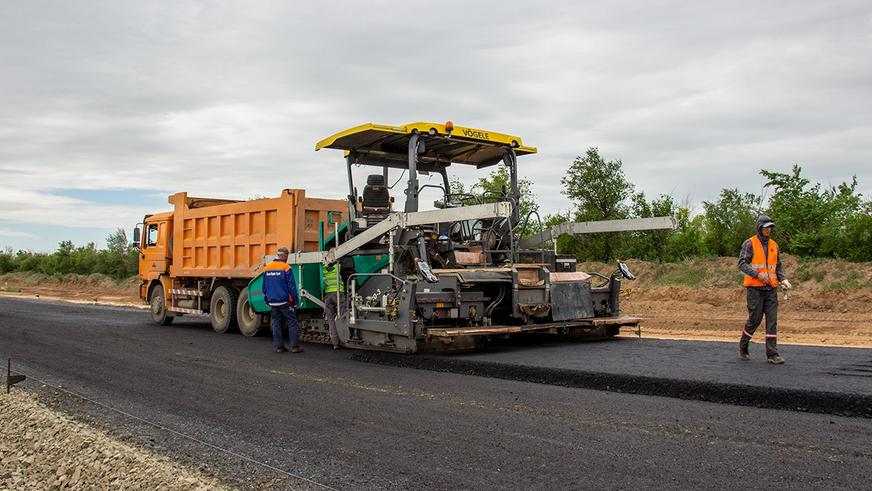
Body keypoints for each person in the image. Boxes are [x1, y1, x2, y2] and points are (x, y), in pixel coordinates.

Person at [738, 216, 792, 364]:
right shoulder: (750, 243)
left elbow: (777, 266)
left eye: (770, 227)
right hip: (755, 289)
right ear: (759, 228)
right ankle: (743, 344)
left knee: (772, 321)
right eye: (766, 227)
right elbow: (742, 263)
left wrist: (783, 279)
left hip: (771, 290)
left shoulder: (774, 245)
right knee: (754, 320)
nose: (769, 230)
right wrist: (757, 275)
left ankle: (772, 354)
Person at [263, 247, 303, 353]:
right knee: (292, 322)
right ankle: (294, 346)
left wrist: (267, 300)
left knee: (276, 323)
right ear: (285, 255)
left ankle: (279, 347)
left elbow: (264, 287)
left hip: (273, 301)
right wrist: (295, 301)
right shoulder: (286, 267)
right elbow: (292, 286)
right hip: (284, 301)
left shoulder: (267, 268)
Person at [321, 261, 345, 349]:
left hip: (328, 295)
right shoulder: (338, 267)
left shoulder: (324, 271)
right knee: (342, 316)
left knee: (330, 319)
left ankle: (335, 343)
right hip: (339, 294)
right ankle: (344, 337)